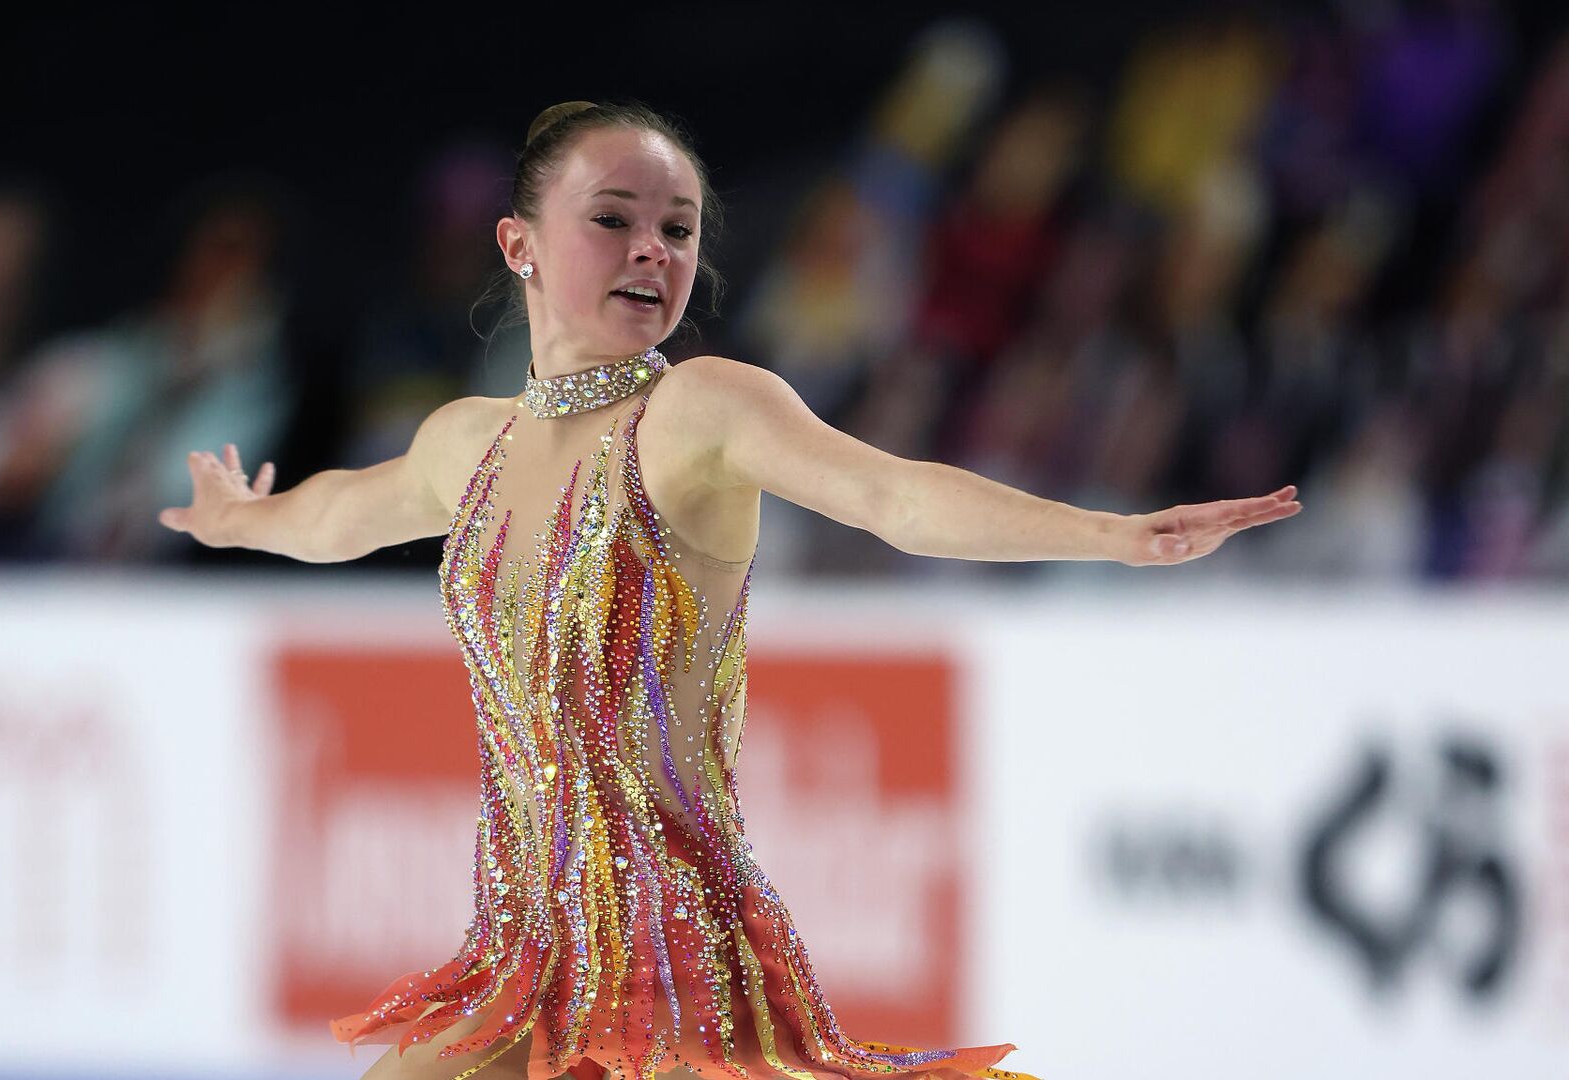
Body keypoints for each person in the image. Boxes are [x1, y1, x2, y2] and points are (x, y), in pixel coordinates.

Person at [159, 100, 1301, 1080]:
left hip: (675, 970)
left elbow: (893, 498)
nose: (652, 251)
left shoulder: (700, 413)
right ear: (519, 243)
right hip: (520, 963)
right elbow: (342, 517)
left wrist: (1111, 536)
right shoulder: (472, 444)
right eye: (612, 219)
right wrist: (241, 519)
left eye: (677, 228)